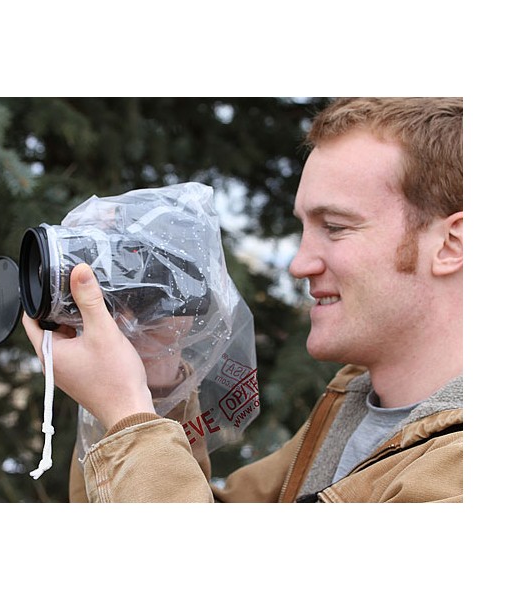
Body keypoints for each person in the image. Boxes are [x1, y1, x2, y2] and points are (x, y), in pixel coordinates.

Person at [23, 97, 463, 503]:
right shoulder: (352, 411)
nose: (300, 264)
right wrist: (155, 384)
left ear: (451, 244)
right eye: (304, 229)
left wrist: (128, 416)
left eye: (335, 227)